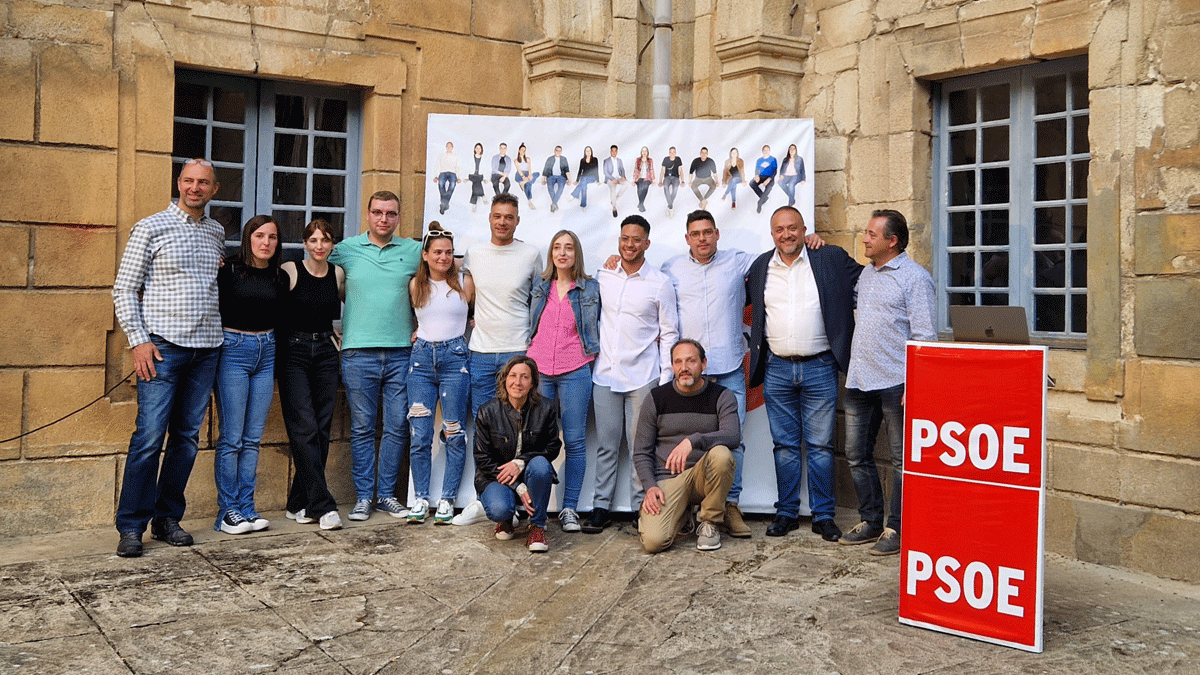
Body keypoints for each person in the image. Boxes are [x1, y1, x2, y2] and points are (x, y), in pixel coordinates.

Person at [112, 158, 224, 557]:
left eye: (203, 182)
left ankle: (166, 518)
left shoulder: (216, 232)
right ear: (179, 183)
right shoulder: (150, 227)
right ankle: (131, 526)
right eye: (189, 181)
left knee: (186, 440)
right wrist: (139, 341)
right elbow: (124, 289)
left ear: (214, 188)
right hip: (161, 348)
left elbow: (209, 285)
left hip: (207, 348)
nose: (195, 188)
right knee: (148, 438)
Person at [747, 206, 861, 542]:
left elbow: (868, 281)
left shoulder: (828, 258)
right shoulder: (760, 266)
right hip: (778, 368)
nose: (787, 235)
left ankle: (824, 516)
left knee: (821, 446)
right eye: (780, 229)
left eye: (793, 228)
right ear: (772, 234)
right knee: (784, 446)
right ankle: (786, 513)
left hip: (820, 366)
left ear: (804, 229)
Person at [839, 210, 935, 556]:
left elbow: (925, 336)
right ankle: (871, 520)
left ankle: (897, 527)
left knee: (900, 460)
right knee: (855, 454)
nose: (864, 239)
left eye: (871, 234)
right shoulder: (866, 274)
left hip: (897, 383)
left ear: (891, 241)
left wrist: (917, 384)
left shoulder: (915, 279)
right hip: (860, 378)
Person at [329, 190, 421, 522]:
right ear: (367, 214)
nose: (384, 219)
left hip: (400, 353)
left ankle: (386, 496)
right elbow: (316, 277)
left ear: (398, 217)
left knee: (397, 426)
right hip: (358, 353)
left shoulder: (413, 251)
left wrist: (425, 325)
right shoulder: (346, 250)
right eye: (378, 212)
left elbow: (441, 279)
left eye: (391, 213)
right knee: (363, 427)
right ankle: (363, 497)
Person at [585, 215, 679, 534]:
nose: (629, 244)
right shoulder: (603, 275)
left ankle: (642, 508)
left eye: (636, 239)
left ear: (647, 244)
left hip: (644, 377)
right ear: (619, 241)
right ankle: (601, 507)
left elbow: (669, 333)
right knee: (607, 445)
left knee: (641, 448)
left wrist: (666, 380)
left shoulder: (659, 283)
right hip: (605, 375)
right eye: (625, 238)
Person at [212, 215, 285, 535]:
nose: (266, 242)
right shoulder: (227, 270)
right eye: (259, 236)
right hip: (233, 350)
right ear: (248, 238)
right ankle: (227, 512)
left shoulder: (280, 276)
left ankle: (246, 508)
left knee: (253, 439)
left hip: (266, 351)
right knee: (232, 438)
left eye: (272, 237)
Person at [635, 339, 740, 553]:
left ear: (703, 364)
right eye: (678, 362)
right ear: (672, 366)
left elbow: (732, 436)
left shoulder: (722, 396)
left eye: (691, 361)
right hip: (668, 479)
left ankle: (709, 522)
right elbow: (641, 451)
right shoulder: (656, 398)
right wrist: (650, 486)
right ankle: (682, 516)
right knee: (654, 543)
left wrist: (693, 440)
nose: (684, 368)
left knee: (721, 454)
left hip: (703, 477)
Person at [527, 230, 600, 533]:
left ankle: (569, 507)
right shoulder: (540, 286)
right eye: (557, 247)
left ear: (576, 254)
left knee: (575, 441)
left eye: (569, 248)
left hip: (575, 369)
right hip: (540, 369)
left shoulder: (590, 288)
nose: (562, 253)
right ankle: (536, 511)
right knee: (535, 441)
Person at [279, 219, 345, 532]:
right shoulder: (290, 271)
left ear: (333, 244)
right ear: (305, 243)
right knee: (303, 426)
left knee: (320, 428)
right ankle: (323, 505)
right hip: (295, 352)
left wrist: (341, 334)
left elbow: (347, 308)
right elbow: (273, 309)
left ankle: (297, 502)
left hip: (327, 352)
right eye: (314, 240)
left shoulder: (337, 274)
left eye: (326, 240)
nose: (320, 246)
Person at [406, 228, 476, 525]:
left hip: (455, 360)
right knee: (420, 434)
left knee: (454, 432)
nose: (444, 257)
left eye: (448, 251)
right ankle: (421, 497)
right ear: (425, 255)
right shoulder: (415, 285)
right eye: (437, 252)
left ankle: (447, 499)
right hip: (421, 361)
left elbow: (476, 314)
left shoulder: (464, 282)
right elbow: (417, 320)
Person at [462, 193, 543, 420]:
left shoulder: (531, 254)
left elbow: (539, 300)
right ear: (489, 218)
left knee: (517, 422)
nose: (502, 222)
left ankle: (515, 459)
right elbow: (465, 295)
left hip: (517, 349)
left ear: (518, 221)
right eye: (497, 216)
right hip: (480, 351)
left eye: (509, 217)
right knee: (483, 422)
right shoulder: (474, 253)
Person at [474, 355, 562, 552]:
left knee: (541, 465)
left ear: (533, 383)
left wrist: (521, 462)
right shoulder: (487, 411)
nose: (518, 382)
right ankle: (506, 518)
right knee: (499, 509)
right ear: (505, 379)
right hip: (496, 475)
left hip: (530, 470)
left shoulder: (546, 408)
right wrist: (518, 486)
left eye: (525, 377)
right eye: (512, 375)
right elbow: (482, 458)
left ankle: (537, 526)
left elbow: (553, 446)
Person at [433, 141, 461, 215]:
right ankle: (445, 204)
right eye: (447, 146)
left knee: (452, 185)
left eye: (450, 146)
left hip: (452, 172)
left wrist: (459, 177)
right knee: (441, 184)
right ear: (446, 147)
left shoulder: (456, 156)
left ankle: (443, 203)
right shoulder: (441, 156)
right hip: (443, 172)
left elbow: (458, 167)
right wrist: (435, 176)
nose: (449, 148)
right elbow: (437, 165)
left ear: (452, 148)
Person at [541, 146, 571, 213]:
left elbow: (567, 169)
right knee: (550, 187)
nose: (558, 152)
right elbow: (546, 169)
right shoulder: (550, 159)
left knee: (560, 188)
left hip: (561, 176)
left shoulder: (564, 159)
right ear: (554, 151)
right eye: (557, 150)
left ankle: (553, 204)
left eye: (559, 151)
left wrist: (569, 180)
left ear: (561, 152)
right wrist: (543, 179)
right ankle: (555, 204)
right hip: (551, 176)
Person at [749, 144, 778, 214]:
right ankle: (764, 198)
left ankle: (759, 203)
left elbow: (775, 171)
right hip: (761, 176)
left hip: (769, 177)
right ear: (762, 151)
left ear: (769, 151)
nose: (766, 151)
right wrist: (756, 176)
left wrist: (769, 179)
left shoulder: (773, 159)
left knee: (768, 188)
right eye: (764, 150)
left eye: (767, 150)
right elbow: (757, 170)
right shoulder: (759, 160)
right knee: (752, 183)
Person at [603, 144, 628, 218]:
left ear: (617, 152)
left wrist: (623, 176)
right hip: (610, 178)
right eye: (612, 151)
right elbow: (605, 172)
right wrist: (612, 179)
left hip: (618, 177)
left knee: (627, 183)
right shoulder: (606, 161)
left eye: (615, 151)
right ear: (610, 151)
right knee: (613, 189)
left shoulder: (619, 160)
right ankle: (614, 207)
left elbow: (622, 169)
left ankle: (616, 198)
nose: (614, 152)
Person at [513, 143, 540, 210]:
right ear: (519, 150)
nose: (523, 151)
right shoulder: (516, 160)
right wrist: (523, 177)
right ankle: (530, 201)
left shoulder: (528, 159)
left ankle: (523, 183)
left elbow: (529, 168)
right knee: (529, 183)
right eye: (522, 150)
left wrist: (530, 175)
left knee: (537, 174)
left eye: (524, 150)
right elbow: (519, 170)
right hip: (519, 175)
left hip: (527, 173)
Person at [659, 146, 683, 218]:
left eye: (673, 152)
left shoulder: (678, 159)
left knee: (675, 188)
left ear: (675, 153)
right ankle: (671, 207)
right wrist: (660, 181)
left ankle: (669, 206)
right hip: (667, 177)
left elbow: (681, 170)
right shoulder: (666, 159)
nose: (672, 153)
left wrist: (683, 181)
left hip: (675, 177)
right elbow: (662, 171)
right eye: (670, 152)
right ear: (669, 153)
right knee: (665, 187)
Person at [633, 146, 654, 213]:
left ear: (647, 152)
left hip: (647, 178)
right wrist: (634, 179)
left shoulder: (650, 160)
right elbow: (636, 170)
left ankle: (641, 203)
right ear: (641, 152)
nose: (644, 152)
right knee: (639, 188)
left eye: (645, 151)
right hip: (639, 178)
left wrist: (653, 179)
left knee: (645, 186)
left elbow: (651, 170)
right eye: (643, 151)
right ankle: (641, 203)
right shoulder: (638, 160)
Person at [468, 143, 487, 212]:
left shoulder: (484, 159)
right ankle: (482, 195)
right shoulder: (471, 157)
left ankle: (474, 204)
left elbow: (486, 169)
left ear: (481, 149)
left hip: (479, 176)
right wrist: (465, 177)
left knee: (476, 184)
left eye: (479, 148)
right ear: (474, 149)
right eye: (477, 148)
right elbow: (466, 167)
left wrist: (486, 179)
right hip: (472, 175)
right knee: (477, 181)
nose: (478, 149)